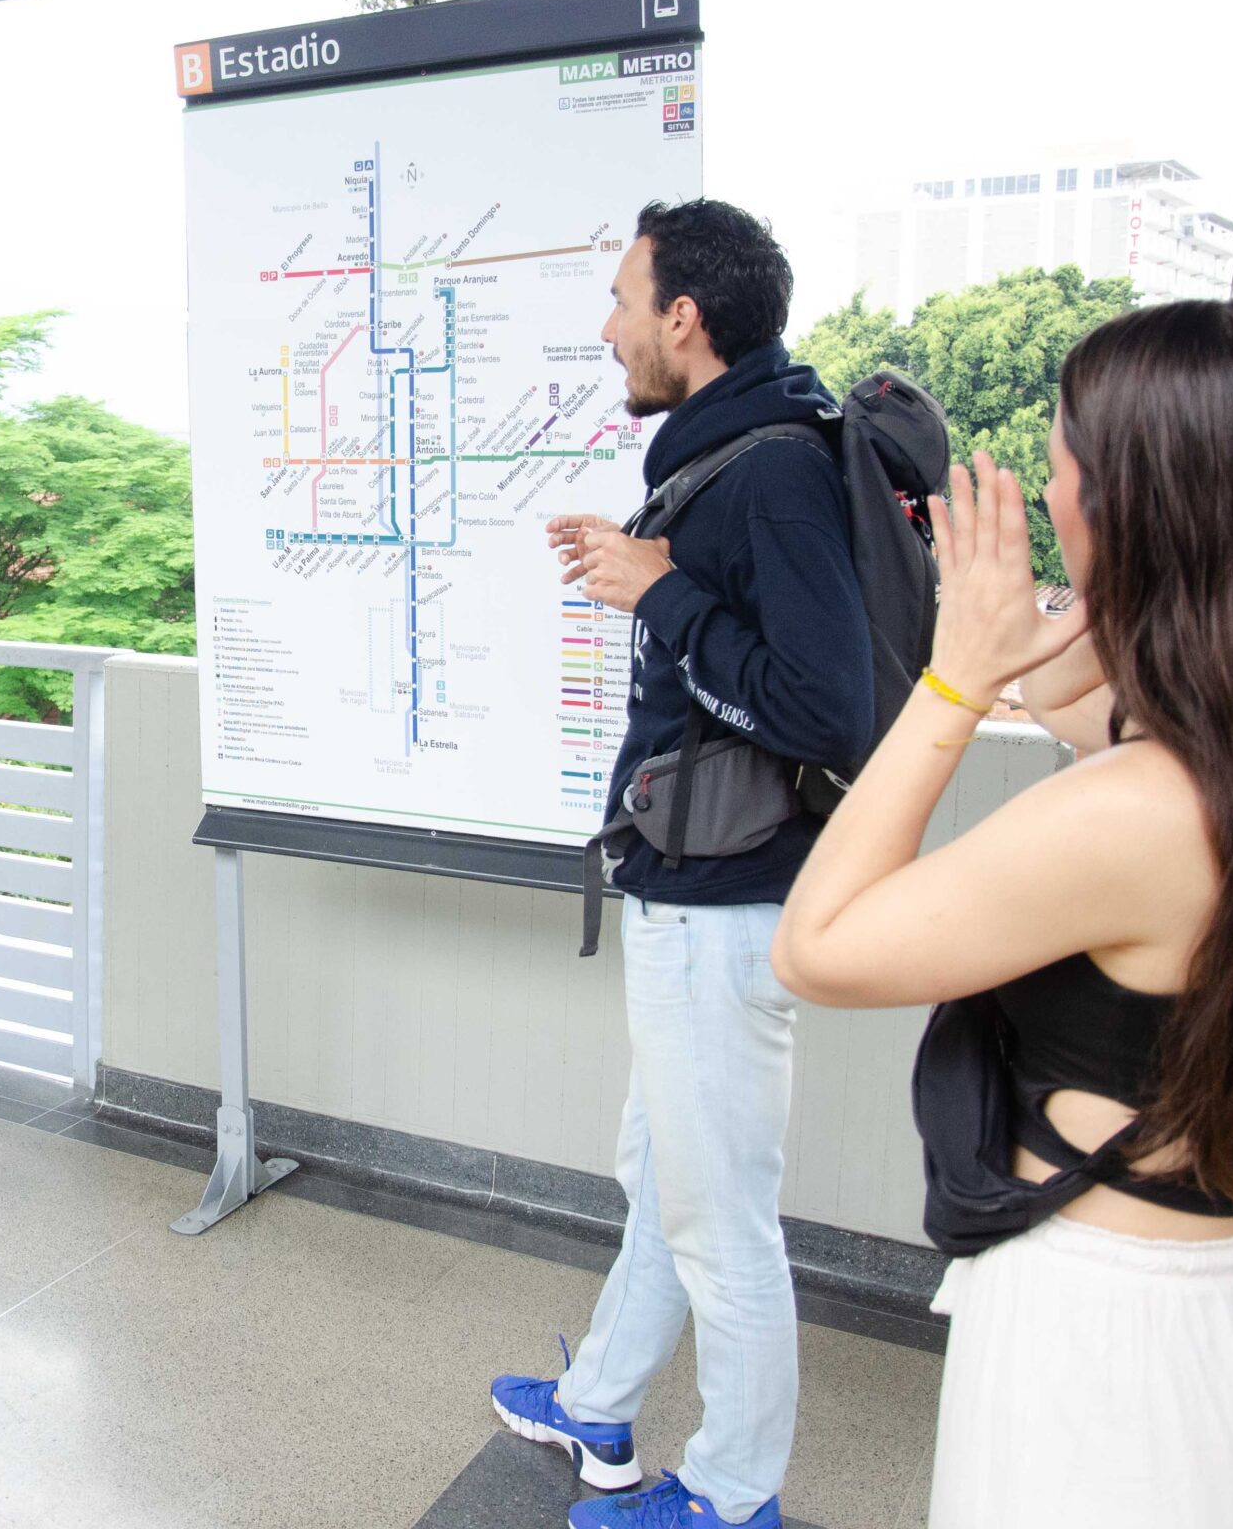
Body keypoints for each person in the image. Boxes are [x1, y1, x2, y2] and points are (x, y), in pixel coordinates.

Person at [771, 300, 1233, 1528]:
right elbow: (1089, 693)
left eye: (1064, 464)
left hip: (1117, 1396)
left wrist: (956, 673)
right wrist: (1049, 626)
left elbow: (820, 942)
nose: (1047, 490)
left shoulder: (1140, 814)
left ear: (1132, 505)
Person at [490, 200, 873, 1529]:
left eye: (621, 299)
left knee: (721, 1223)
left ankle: (730, 1495)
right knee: (664, 1175)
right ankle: (598, 1399)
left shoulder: (767, 469)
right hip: (693, 894)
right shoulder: (731, 455)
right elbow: (728, 639)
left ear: (684, 319)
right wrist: (644, 570)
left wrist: (658, 593)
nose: (608, 327)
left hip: (724, 910)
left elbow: (829, 708)